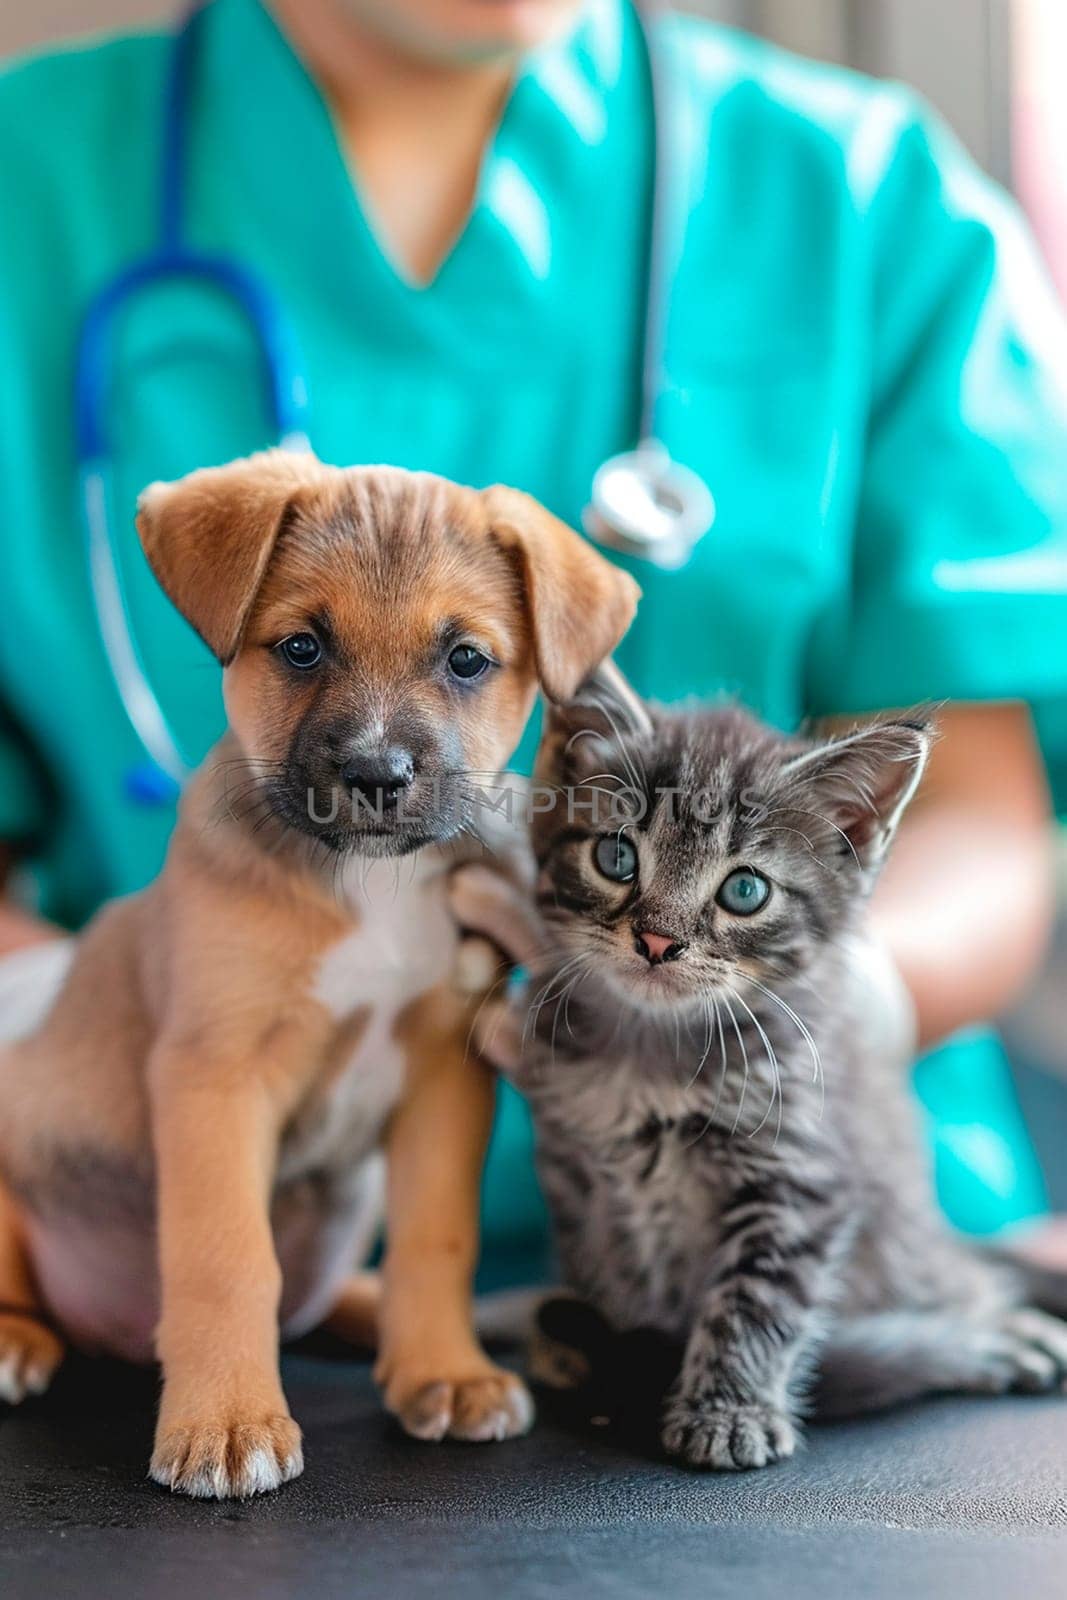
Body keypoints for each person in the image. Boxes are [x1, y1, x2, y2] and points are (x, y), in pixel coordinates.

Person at [1, 0, 1065, 1285]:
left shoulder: (860, 199)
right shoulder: (33, 184)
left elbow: (973, 816)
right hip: (165, 1242)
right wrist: (74, 1047)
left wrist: (796, 1011)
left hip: (782, 1253)